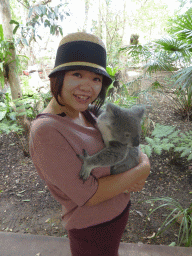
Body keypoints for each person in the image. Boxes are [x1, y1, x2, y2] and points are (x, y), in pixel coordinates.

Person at [29, 32, 150, 256]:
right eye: (77, 74)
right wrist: (142, 168)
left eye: (96, 79)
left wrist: (136, 164)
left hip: (116, 215)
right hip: (92, 229)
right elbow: (89, 195)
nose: (89, 86)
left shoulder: (88, 112)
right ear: (57, 78)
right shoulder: (46, 132)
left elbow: (124, 139)